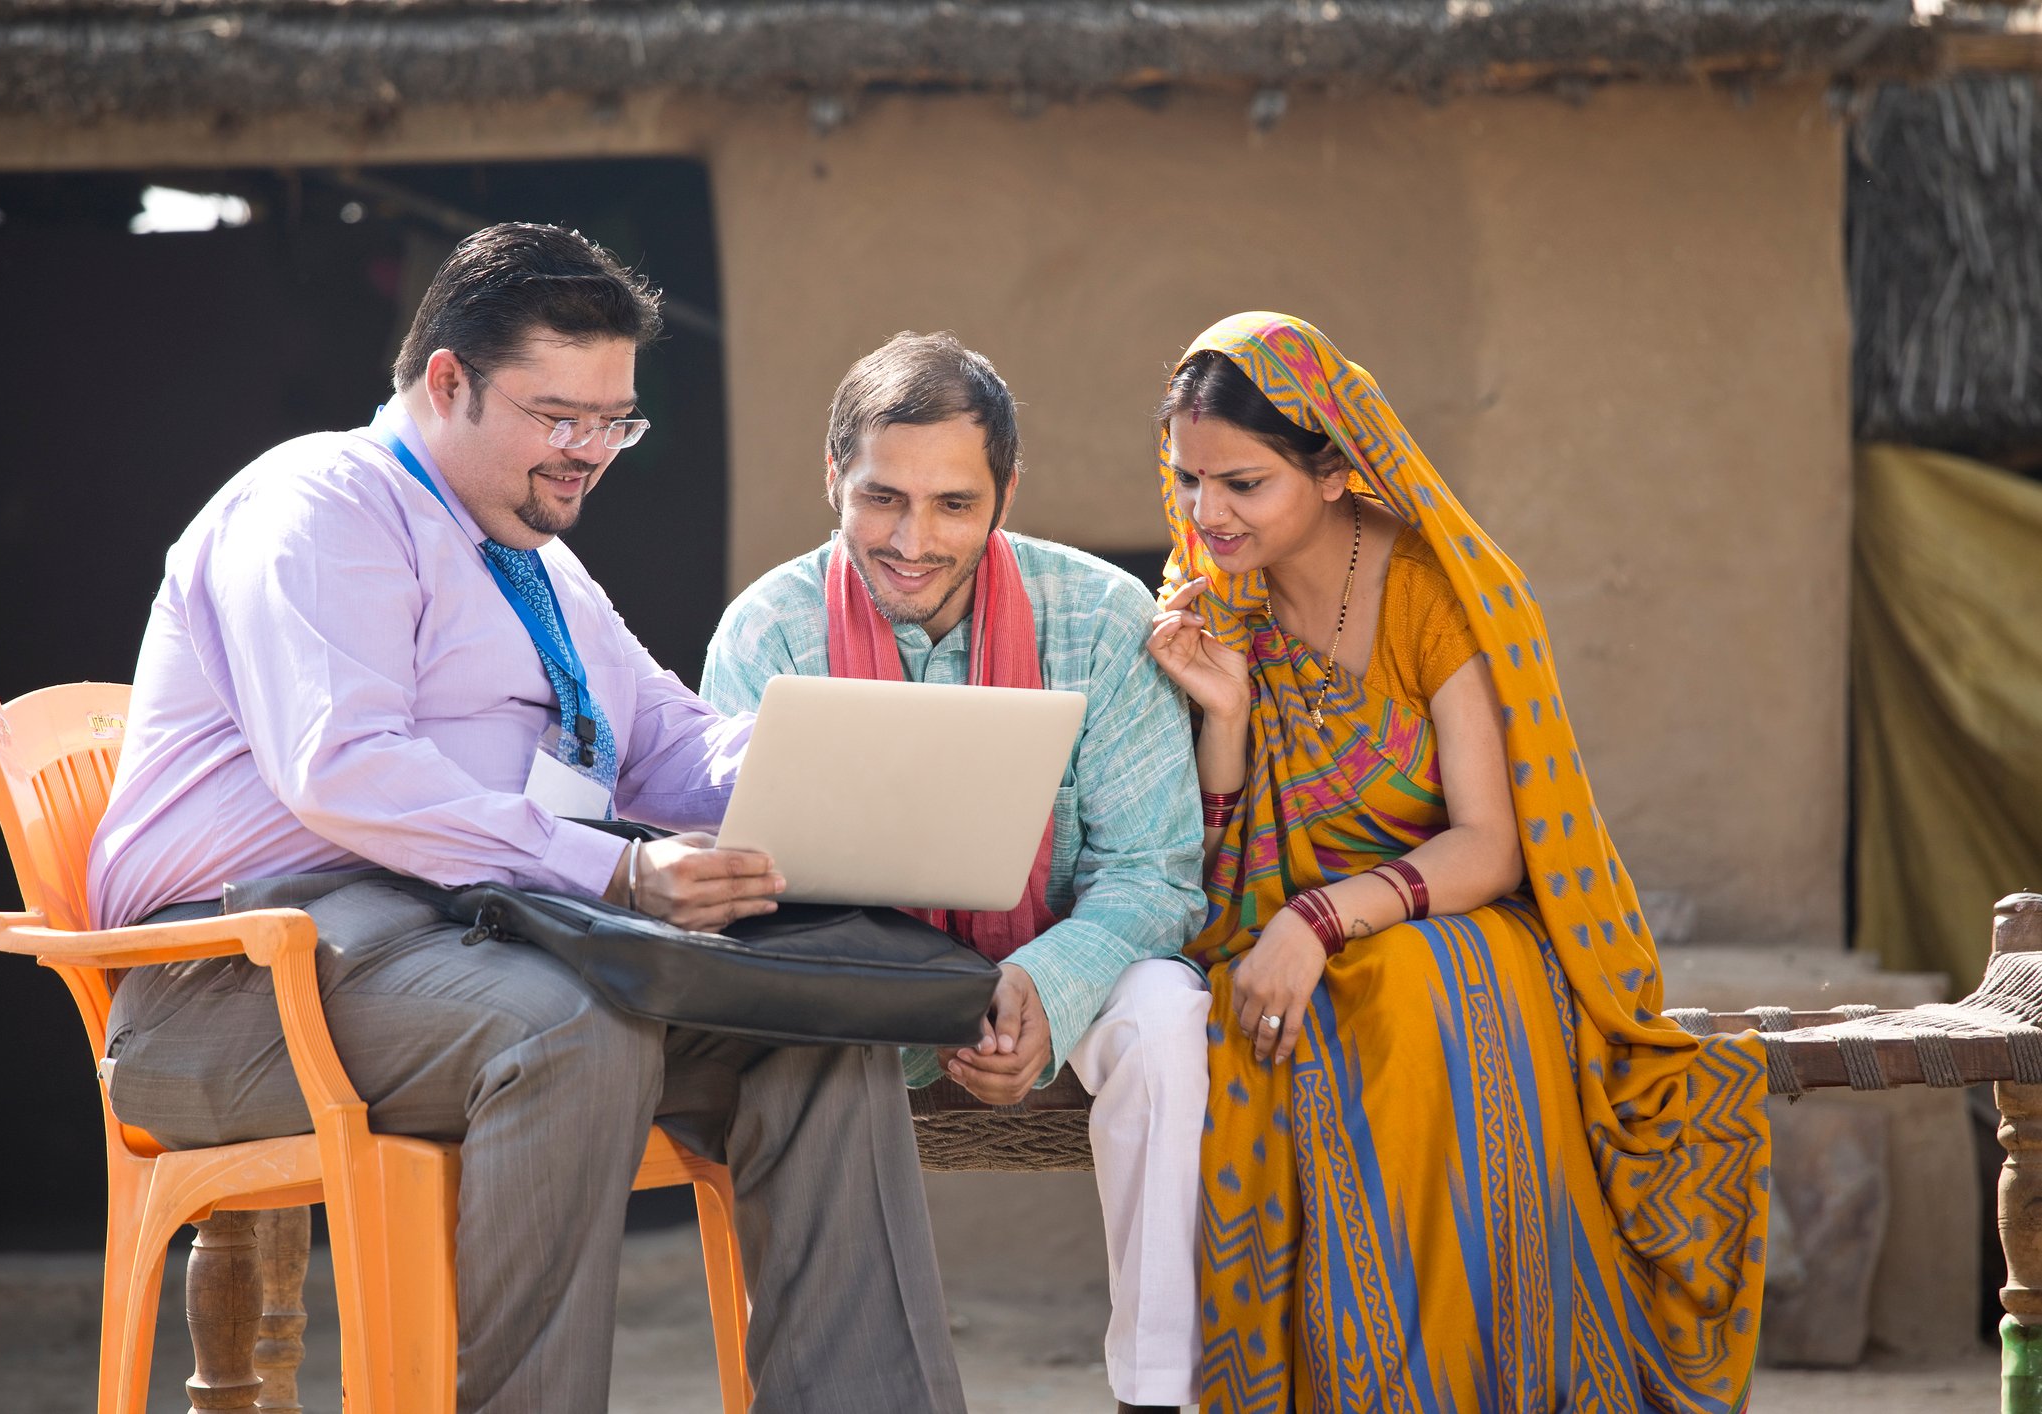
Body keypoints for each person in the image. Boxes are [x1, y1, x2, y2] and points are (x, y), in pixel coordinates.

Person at [86, 224, 966, 1414]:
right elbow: (343, 768)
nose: (591, 453)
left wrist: (852, 771)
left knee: (810, 1026)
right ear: (446, 380)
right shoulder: (319, 504)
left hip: (464, 948)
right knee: (565, 1032)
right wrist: (611, 873)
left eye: (616, 422)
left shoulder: (530, 558)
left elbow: (661, 738)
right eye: (561, 417)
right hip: (229, 985)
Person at [1144, 312, 1771, 1411]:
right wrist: (1227, 711)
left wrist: (1324, 918)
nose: (1209, 514)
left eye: (1243, 483)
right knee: (1274, 1024)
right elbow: (1208, 877)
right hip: (1273, 938)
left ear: (1333, 467)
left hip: (1445, 918)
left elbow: (1490, 839)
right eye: (1191, 482)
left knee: (1420, 993)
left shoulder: (1433, 589)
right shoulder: (1208, 608)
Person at [700, 332, 1209, 1414]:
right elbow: (755, 897)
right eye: (882, 498)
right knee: (768, 1039)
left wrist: (1046, 986)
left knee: (1168, 1014)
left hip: (1060, 982)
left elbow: (1154, 876)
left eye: (953, 505)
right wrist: (931, 994)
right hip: (851, 1000)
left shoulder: (1102, 620)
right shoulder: (769, 634)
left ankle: (1158, 1393)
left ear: (1007, 492)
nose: (914, 540)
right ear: (830, 477)